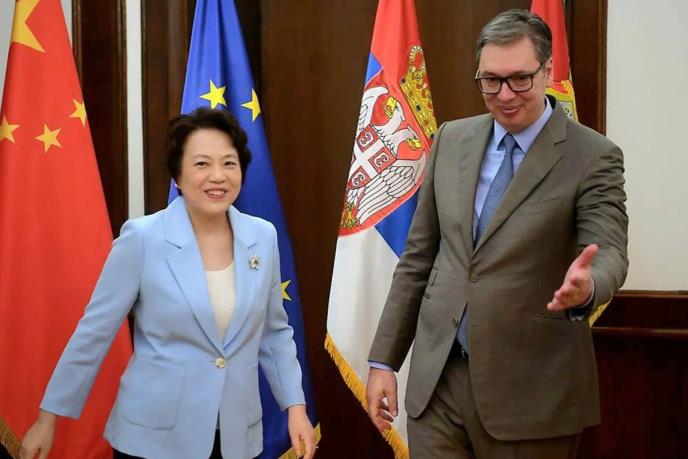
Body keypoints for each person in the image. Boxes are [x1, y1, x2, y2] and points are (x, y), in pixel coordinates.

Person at [365, 9, 628, 459]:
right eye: (490, 80)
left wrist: (587, 287)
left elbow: (608, 252)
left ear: (547, 70)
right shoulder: (451, 140)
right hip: (438, 384)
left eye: (520, 79)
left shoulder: (593, 155)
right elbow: (419, 258)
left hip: (531, 392)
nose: (505, 95)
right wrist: (383, 359)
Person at [20, 108, 316, 459]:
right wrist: (48, 418)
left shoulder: (262, 236)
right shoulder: (143, 238)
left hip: (237, 436)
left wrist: (295, 407)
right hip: (153, 438)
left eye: (229, 163)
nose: (218, 176)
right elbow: (94, 332)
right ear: (177, 175)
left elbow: (274, 332)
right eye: (202, 164)